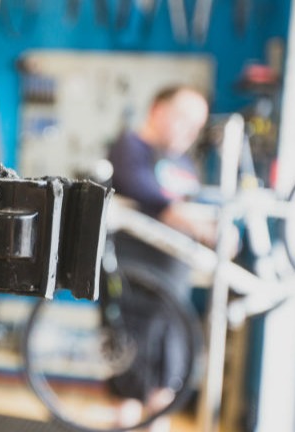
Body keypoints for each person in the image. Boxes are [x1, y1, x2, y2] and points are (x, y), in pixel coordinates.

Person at [102, 85, 212, 431]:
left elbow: (193, 205)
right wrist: (189, 220)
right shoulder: (130, 147)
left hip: (172, 293)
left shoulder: (181, 162)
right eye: (184, 120)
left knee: (166, 387)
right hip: (134, 287)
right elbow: (144, 190)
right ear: (158, 111)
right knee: (131, 392)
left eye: (197, 126)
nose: (190, 132)